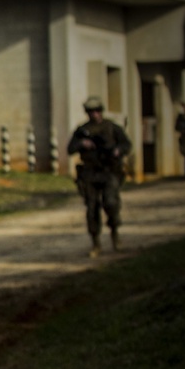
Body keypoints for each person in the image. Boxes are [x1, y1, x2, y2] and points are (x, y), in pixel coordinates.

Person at [67, 96, 132, 257]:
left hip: (109, 171)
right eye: (90, 111)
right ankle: (96, 244)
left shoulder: (112, 128)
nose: (94, 114)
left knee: (111, 203)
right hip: (90, 173)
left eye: (96, 111)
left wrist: (118, 151)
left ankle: (115, 235)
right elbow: (70, 148)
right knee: (92, 208)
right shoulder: (82, 130)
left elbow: (126, 144)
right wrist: (82, 144)